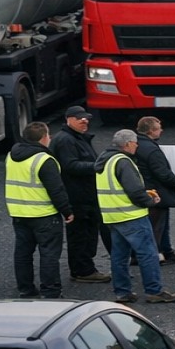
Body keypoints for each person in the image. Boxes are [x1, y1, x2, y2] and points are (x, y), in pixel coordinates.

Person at [97, 129, 175, 304]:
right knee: (148, 253)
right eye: (135, 142)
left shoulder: (105, 160)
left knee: (119, 256)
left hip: (113, 216)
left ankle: (122, 292)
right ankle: (154, 291)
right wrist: (150, 201)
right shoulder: (124, 162)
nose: (137, 145)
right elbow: (134, 191)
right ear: (127, 144)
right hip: (131, 215)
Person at [6, 121, 73, 299]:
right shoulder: (44, 160)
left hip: (19, 213)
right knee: (49, 254)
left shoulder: (11, 156)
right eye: (48, 135)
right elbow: (56, 189)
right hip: (44, 215)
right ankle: (50, 291)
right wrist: (67, 211)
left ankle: (25, 289)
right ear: (44, 138)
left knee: (22, 253)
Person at [50, 107, 107, 283]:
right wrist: (95, 167)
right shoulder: (65, 140)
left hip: (86, 194)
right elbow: (70, 166)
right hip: (76, 196)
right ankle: (82, 270)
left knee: (88, 231)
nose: (85, 121)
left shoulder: (77, 138)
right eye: (80, 119)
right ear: (69, 119)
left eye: (87, 119)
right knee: (80, 234)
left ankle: (85, 266)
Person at [134, 116, 175, 265]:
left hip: (143, 190)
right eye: (158, 128)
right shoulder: (151, 149)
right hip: (156, 193)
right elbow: (162, 172)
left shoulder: (137, 144)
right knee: (157, 226)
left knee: (157, 225)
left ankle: (165, 251)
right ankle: (155, 255)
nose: (161, 130)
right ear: (151, 130)